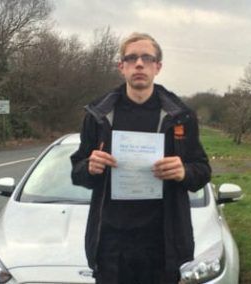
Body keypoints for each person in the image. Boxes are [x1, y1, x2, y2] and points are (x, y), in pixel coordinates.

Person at [70, 32, 211, 284]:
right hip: (111, 245)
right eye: (131, 58)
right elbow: (77, 171)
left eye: (147, 58)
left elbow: (202, 171)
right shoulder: (98, 115)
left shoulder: (181, 116)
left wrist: (184, 172)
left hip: (163, 244)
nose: (139, 64)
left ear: (157, 67)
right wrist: (90, 167)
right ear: (121, 67)